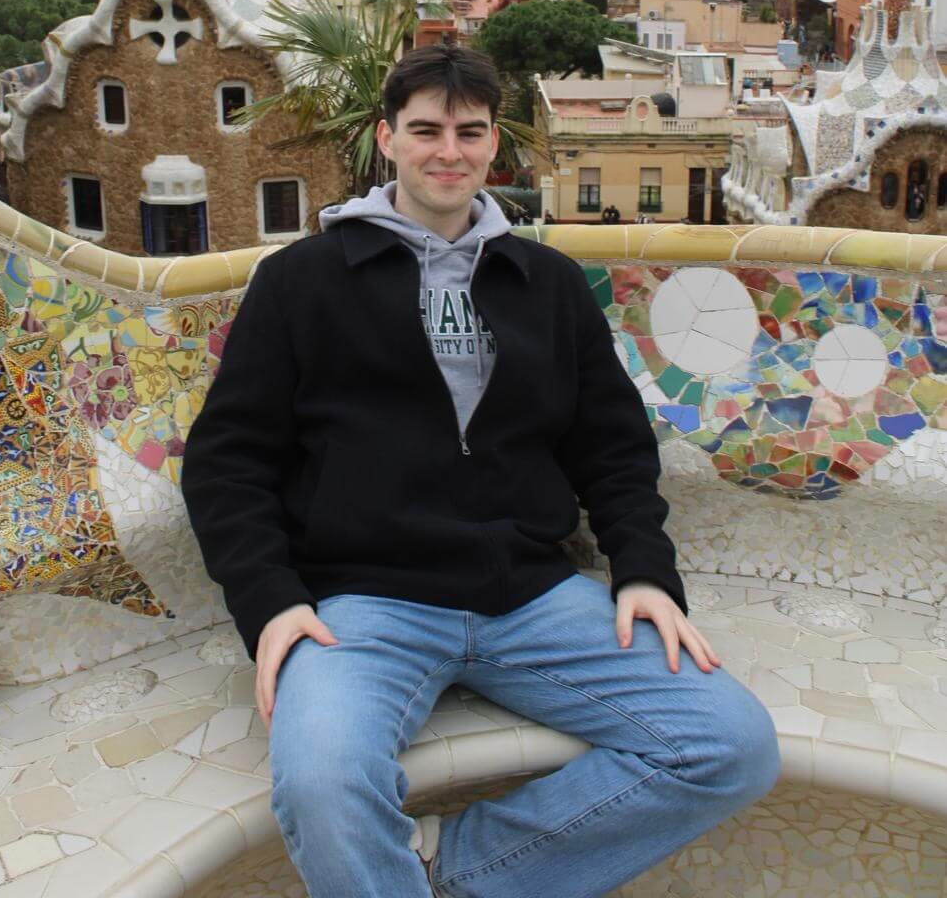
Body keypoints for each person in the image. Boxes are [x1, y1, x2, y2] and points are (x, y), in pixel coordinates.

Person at [181, 44, 779, 898]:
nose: (447, 151)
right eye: (425, 130)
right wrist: (270, 601)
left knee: (731, 743)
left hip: (530, 596)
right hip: (364, 605)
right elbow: (226, 462)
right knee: (322, 785)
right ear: (386, 140)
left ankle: (459, 868)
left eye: (468, 132)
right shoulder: (302, 283)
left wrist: (644, 569)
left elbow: (610, 445)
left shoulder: (548, 284)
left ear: (495, 145)